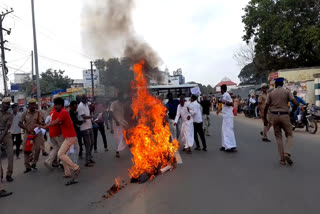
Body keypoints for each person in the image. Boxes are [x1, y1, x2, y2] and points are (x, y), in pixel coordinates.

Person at [41, 97, 80, 182]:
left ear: (61, 105)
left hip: (70, 137)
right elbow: (55, 122)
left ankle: (76, 168)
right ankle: (67, 173)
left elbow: (55, 122)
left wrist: (44, 126)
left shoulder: (63, 112)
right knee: (63, 154)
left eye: (56, 105)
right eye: (54, 105)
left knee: (60, 154)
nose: (54, 107)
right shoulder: (60, 112)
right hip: (68, 137)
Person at [264, 78, 298, 166]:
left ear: (275, 84)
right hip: (284, 115)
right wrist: (292, 111)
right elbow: (295, 103)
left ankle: (282, 160)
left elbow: (266, 106)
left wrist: (264, 118)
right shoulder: (287, 92)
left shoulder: (270, 93)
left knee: (278, 137)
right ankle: (286, 152)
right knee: (289, 135)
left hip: (274, 116)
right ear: (282, 84)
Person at [19, 98, 45, 173]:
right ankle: (27, 166)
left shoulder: (39, 113)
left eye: (34, 104)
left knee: (38, 149)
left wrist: (42, 124)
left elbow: (41, 123)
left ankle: (34, 163)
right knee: (26, 150)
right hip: (28, 134)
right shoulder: (25, 113)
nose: (33, 106)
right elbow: (20, 123)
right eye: (32, 104)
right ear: (29, 105)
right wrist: (27, 129)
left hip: (37, 133)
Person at [77, 94, 95, 167]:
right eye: (84, 99)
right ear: (81, 99)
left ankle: (89, 157)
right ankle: (86, 161)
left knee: (92, 142)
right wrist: (91, 116)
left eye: (86, 98)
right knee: (88, 144)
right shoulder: (80, 106)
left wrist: (93, 121)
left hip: (89, 126)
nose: (85, 100)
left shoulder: (86, 104)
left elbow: (88, 114)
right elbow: (83, 116)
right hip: (84, 128)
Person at [219, 85, 237, 153]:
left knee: (229, 131)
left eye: (221, 89)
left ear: (222, 89)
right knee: (223, 131)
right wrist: (219, 110)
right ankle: (224, 145)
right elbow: (224, 105)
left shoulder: (227, 95)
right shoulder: (225, 95)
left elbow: (232, 104)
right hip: (225, 117)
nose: (220, 91)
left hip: (228, 117)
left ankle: (232, 146)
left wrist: (225, 102)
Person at [43, 106, 63, 170]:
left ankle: (48, 161)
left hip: (51, 133)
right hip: (57, 133)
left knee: (55, 147)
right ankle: (62, 162)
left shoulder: (51, 112)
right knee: (62, 147)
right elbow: (59, 122)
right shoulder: (58, 112)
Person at [110, 93, 128, 158]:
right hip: (116, 123)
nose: (122, 98)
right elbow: (111, 112)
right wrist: (116, 121)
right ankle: (117, 151)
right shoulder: (114, 103)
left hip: (123, 122)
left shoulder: (123, 104)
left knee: (124, 135)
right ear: (118, 97)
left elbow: (125, 113)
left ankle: (125, 147)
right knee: (117, 137)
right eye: (121, 97)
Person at [0, 98, 14, 182]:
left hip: (6, 135)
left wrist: (1, 137)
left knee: (10, 155)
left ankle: (9, 174)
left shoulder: (9, 115)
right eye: (6, 104)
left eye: (9, 104)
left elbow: (7, 127)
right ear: (2, 103)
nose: (8, 105)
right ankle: (0, 174)